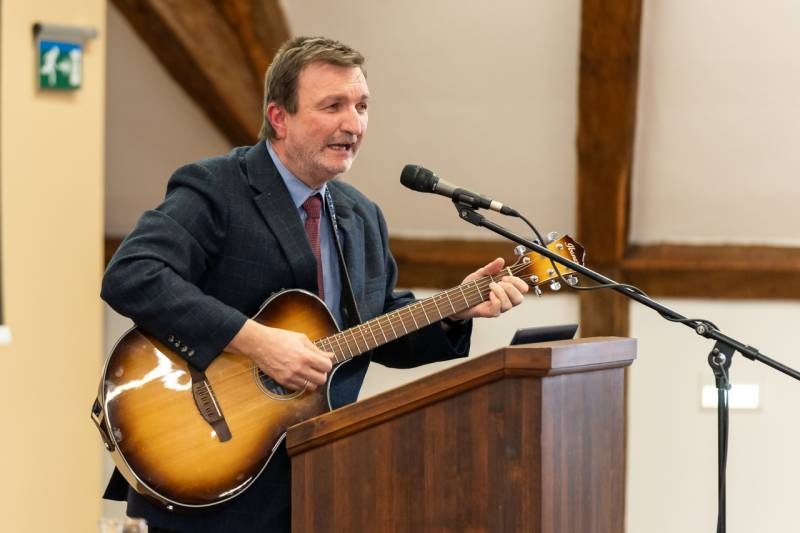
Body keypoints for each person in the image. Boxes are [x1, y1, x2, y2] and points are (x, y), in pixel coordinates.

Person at [101, 36, 529, 532]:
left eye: (362, 106)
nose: (354, 124)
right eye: (333, 106)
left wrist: (455, 309)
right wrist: (257, 341)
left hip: (323, 482)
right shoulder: (216, 188)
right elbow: (133, 274)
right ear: (279, 117)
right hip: (207, 471)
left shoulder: (362, 215)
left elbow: (375, 328)